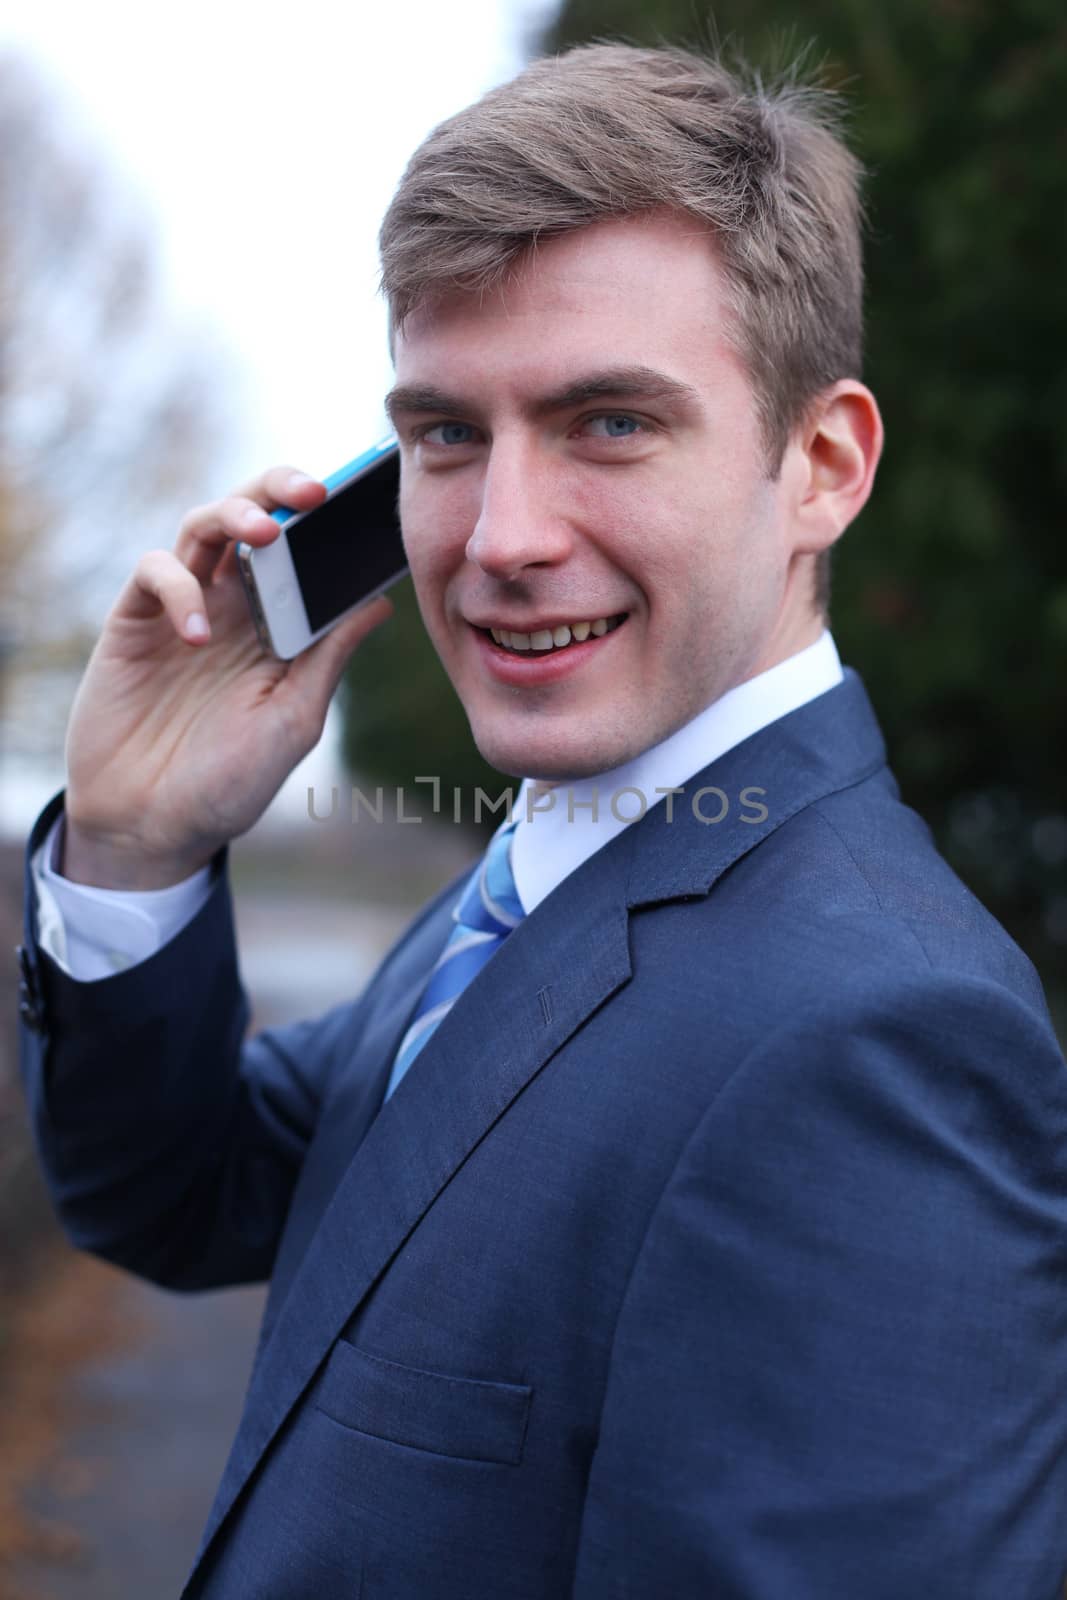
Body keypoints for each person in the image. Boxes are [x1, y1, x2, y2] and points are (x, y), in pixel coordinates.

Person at [15, 40, 1067, 1600]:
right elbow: (185, 1190)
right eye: (448, 434)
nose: (501, 538)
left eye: (610, 424)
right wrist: (135, 846)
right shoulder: (545, 875)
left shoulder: (877, 1040)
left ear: (824, 468)